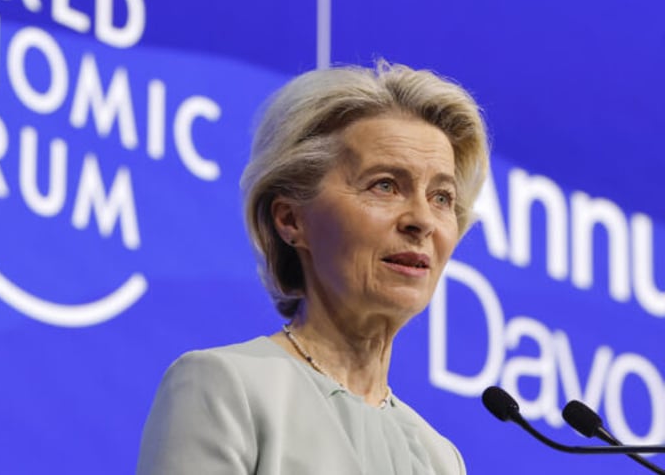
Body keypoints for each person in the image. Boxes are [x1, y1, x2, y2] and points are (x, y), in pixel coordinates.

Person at [136, 60, 489, 474]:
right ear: (291, 220)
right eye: (385, 185)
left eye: (442, 197)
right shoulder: (226, 388)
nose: (422, 220)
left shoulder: (439, 459)